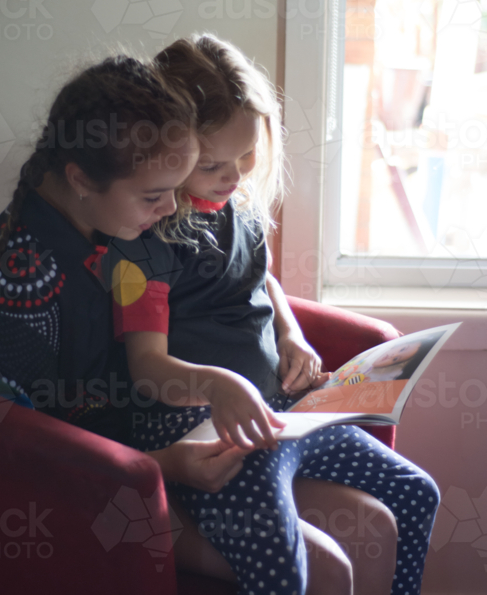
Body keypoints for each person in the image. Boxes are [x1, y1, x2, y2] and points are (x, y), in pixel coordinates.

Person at [106, 34, 440, 595]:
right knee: (284, 569)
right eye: (212, 164)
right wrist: (221, 386)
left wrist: (291, 333)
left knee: (417, 493)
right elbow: (147, 367)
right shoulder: (146, 240)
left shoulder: (238, 208)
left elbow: (259, 278)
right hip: (207, 426)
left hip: (284, 411)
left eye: (246, 155)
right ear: (170, 150)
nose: (234, 175)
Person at [0, 54, 256, 578]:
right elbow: (23, 457)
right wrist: (164, 465)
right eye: (154, 196)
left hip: (133, 449)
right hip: (69, 496)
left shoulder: (95, 228)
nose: (171, 209)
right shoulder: (24, 281)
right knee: (295, 565)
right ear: (80, 179)